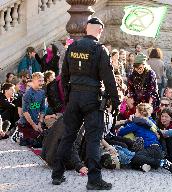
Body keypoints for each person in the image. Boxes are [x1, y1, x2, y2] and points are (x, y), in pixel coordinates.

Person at [51, 17, 120, 191]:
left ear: (86, 29)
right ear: (100, 30)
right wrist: (116, 100)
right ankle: (94, 180)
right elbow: (109, 79)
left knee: (68, 137)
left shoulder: (73, 47)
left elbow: (64, 75)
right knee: (93, 140)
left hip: (74, 96)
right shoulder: (100, 49)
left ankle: (57, 175)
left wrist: (68, 96)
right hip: (92, 98)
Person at [17, 72, 45, 146]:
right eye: (40, 81)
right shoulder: (27, 94)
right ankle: (18, 134)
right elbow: (25, 112)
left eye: (42, 80)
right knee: (33, 143)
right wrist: (33, 125)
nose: (42, 83)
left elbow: (42, 109)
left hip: (36, 122)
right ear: (33, 81)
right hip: (25, 124)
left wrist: (39, 123)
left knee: (43, 140)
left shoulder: (42, 92)